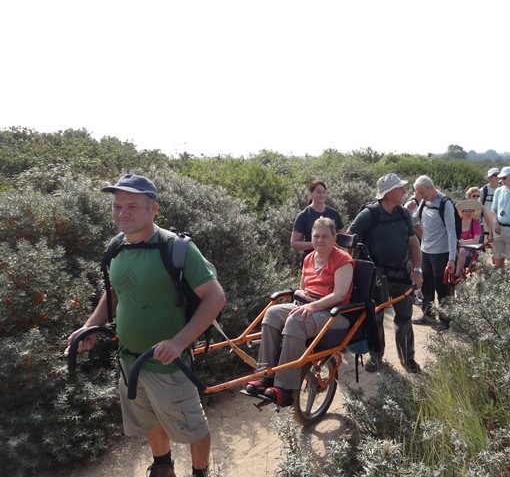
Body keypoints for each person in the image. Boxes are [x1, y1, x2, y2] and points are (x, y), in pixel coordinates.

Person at [64, 174, 226, 477]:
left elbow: (215, 298)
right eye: (117, 206)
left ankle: (200, 473)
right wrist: (89, 328)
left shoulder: (176, 248)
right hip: (129, 360)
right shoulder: (116, 248)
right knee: (150, 420)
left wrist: (179, 342)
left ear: (153, 209)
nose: (123, 212)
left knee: (193, 427)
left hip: (169, 364)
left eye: (132, 206)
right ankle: (163, 465)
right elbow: (114, 292)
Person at [246, 217, 354, 405]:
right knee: (272, 313)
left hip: (335, 313)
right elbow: (303, 288)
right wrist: (302, 295)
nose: (320, 240)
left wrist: (311, 306)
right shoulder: (308, 258)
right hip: (310, 306)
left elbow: (339, 295)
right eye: (316, 236)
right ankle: (266, 374)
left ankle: (285, 388)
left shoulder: (343, 260)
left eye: (325, 236)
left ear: (334, 237)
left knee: (296, 322)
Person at [348, 173, 423, 373]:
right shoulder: (369, 214)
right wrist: (350, 269)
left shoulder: (403, 213)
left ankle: (408, 360)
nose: (405, 192)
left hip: (401, 273)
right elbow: (348, 238)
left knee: (404, 317)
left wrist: (417, 270)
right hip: (376, 277)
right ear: (389, 194)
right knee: (377, 317)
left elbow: (413, 242)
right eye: (400, 188)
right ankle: (376, 357)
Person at [409, 176, 457, 330]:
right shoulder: (424, 201)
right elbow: (413, 220)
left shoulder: (445, 203)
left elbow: (451, 232)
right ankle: (428, 315)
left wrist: (451, 258)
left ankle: (445, 319)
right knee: (426, 285)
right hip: (425, 250)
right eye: (418, 193)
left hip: (441, 252)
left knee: (441, 286)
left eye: (422, 192)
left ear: (431, 188)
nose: (420, 196)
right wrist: (407, 211)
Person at [291, 180, 345, 265]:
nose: (322, 195)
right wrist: (316, 244)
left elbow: (343, 237)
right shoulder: (303, 215)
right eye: (318, 192)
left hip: (333, 260)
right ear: (310, 194)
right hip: (311, 262)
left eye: (324, 192)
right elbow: (294, 243)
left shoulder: (334, 213)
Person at [454, 199, 483, 278]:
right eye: (466, 211)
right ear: (462, 212)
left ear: (473, 212)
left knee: (462, 251)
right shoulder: (457, 222)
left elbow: (476, 240)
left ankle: (458, 273)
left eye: (470, 211)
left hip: (470, 248)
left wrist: (462, 242)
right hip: (455, 246)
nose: (468, 213)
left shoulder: (476, 224)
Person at [481, 167, 501, 238]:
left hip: (499, 222)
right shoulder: (483, 190)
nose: (497, 177)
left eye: (498, 175)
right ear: (489, 178)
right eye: (495, 175)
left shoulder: (502, 190)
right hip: (485, 222)